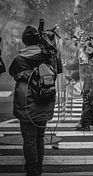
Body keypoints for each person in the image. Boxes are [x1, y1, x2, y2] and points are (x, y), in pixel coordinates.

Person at [9, 25, 62, 176]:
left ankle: (31, 170)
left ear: (24, 41)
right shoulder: (49, 56)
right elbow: (57, 71)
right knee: (40, 137)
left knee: (29, 139)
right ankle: (38, 167)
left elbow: (12, 72)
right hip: (45, 101)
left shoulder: (19, 59)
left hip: (26, 103)